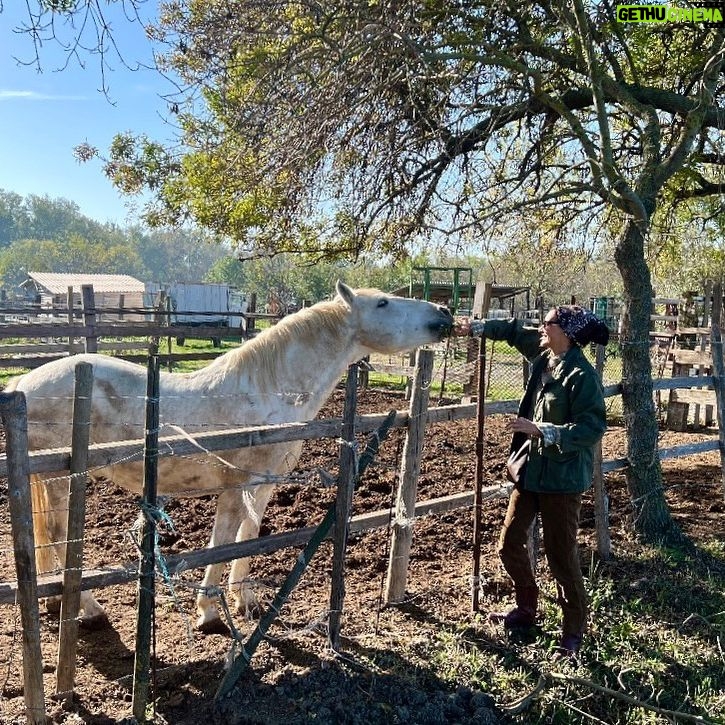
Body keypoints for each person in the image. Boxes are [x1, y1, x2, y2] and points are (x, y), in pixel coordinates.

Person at [457, 305, 609, 658]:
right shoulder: (545, 355)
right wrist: (475, 328)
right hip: (532, 473)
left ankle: (572, 633)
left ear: (566, 332)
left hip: (563, 479)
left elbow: (593, 427)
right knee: (509, 543)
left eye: (549, 322)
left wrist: (542, 429)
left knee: (561, 558)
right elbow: (512, 331)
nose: (541, 326)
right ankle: (527, 607)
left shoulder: (581, 376)